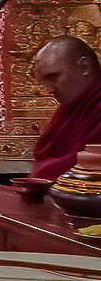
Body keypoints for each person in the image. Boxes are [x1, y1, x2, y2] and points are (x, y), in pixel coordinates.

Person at [26, 37, 101, 187]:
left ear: (85, 67)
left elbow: (92, 163)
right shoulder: (70, 109)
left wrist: (46, 169)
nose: (49, 90)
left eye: (53, 78)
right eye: (44, 82)